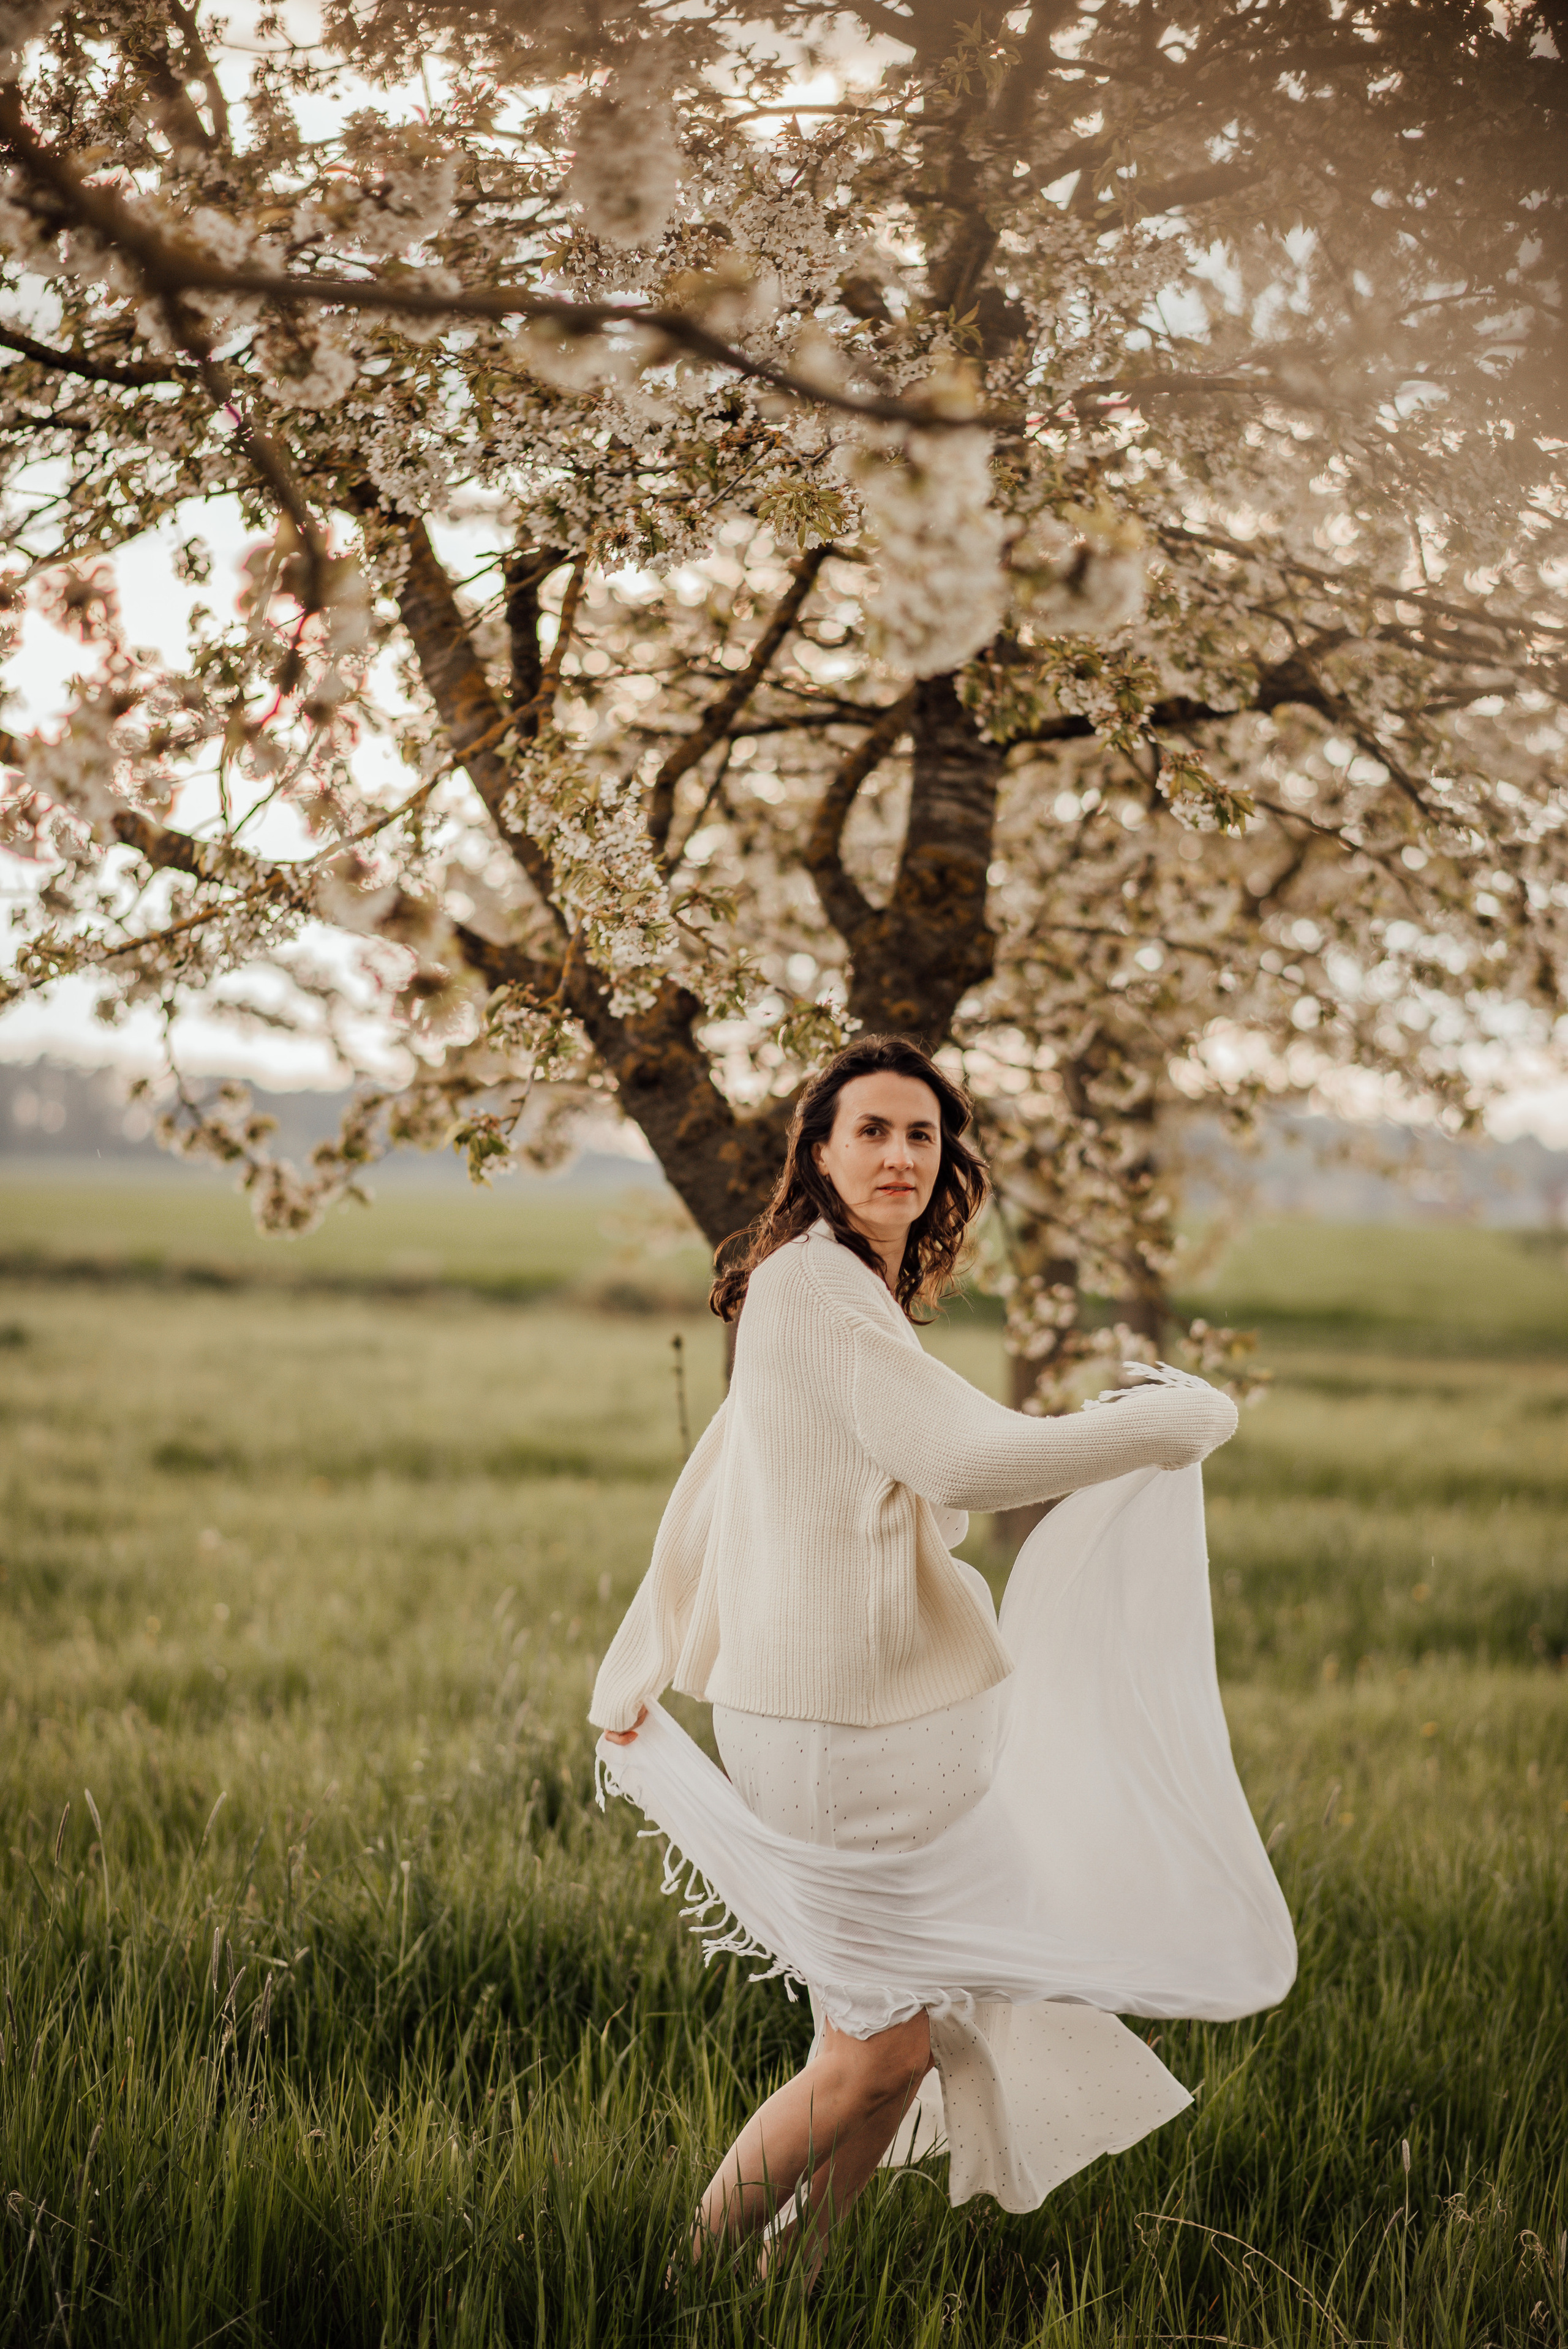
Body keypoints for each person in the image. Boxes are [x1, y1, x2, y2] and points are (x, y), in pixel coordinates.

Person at [589, 1034, 1250, 2284]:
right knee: (872, 2050)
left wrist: (649, 1633)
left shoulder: (841, 1289)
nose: (898, 1154)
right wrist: (1163, 1420)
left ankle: (793, 2290)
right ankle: (680, 2280)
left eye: (920, 1134)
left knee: (907, 2036)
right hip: (835, 1738)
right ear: (819, 1152)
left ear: (946, 1159)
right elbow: (965, 1465)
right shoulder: (815, 1286)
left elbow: (720, 1472)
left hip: (881, 1723)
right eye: (871, 1131)